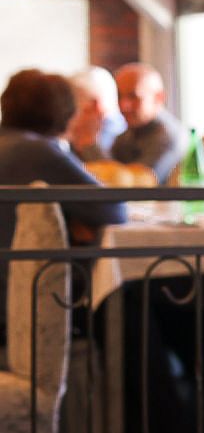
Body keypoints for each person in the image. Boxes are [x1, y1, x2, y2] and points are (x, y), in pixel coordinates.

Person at [0, 69, 127, 334]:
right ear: (65, 114)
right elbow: (113, 209)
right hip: (19, 295)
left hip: (12, 284)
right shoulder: (37, 151)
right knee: (123, 294)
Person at [108, 63, 187, 184]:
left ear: (158, 98)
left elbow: (136, 184)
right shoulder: (125, 137)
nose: (124, 106)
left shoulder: (168, 137)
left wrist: (89, 143)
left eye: (133, 97)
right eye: (119, 96)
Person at [64, 66, 125, 162]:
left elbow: (110, 170)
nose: (70, 113)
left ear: (95, 106)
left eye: (75, 105)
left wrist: (88, 143)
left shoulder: (117, 135)